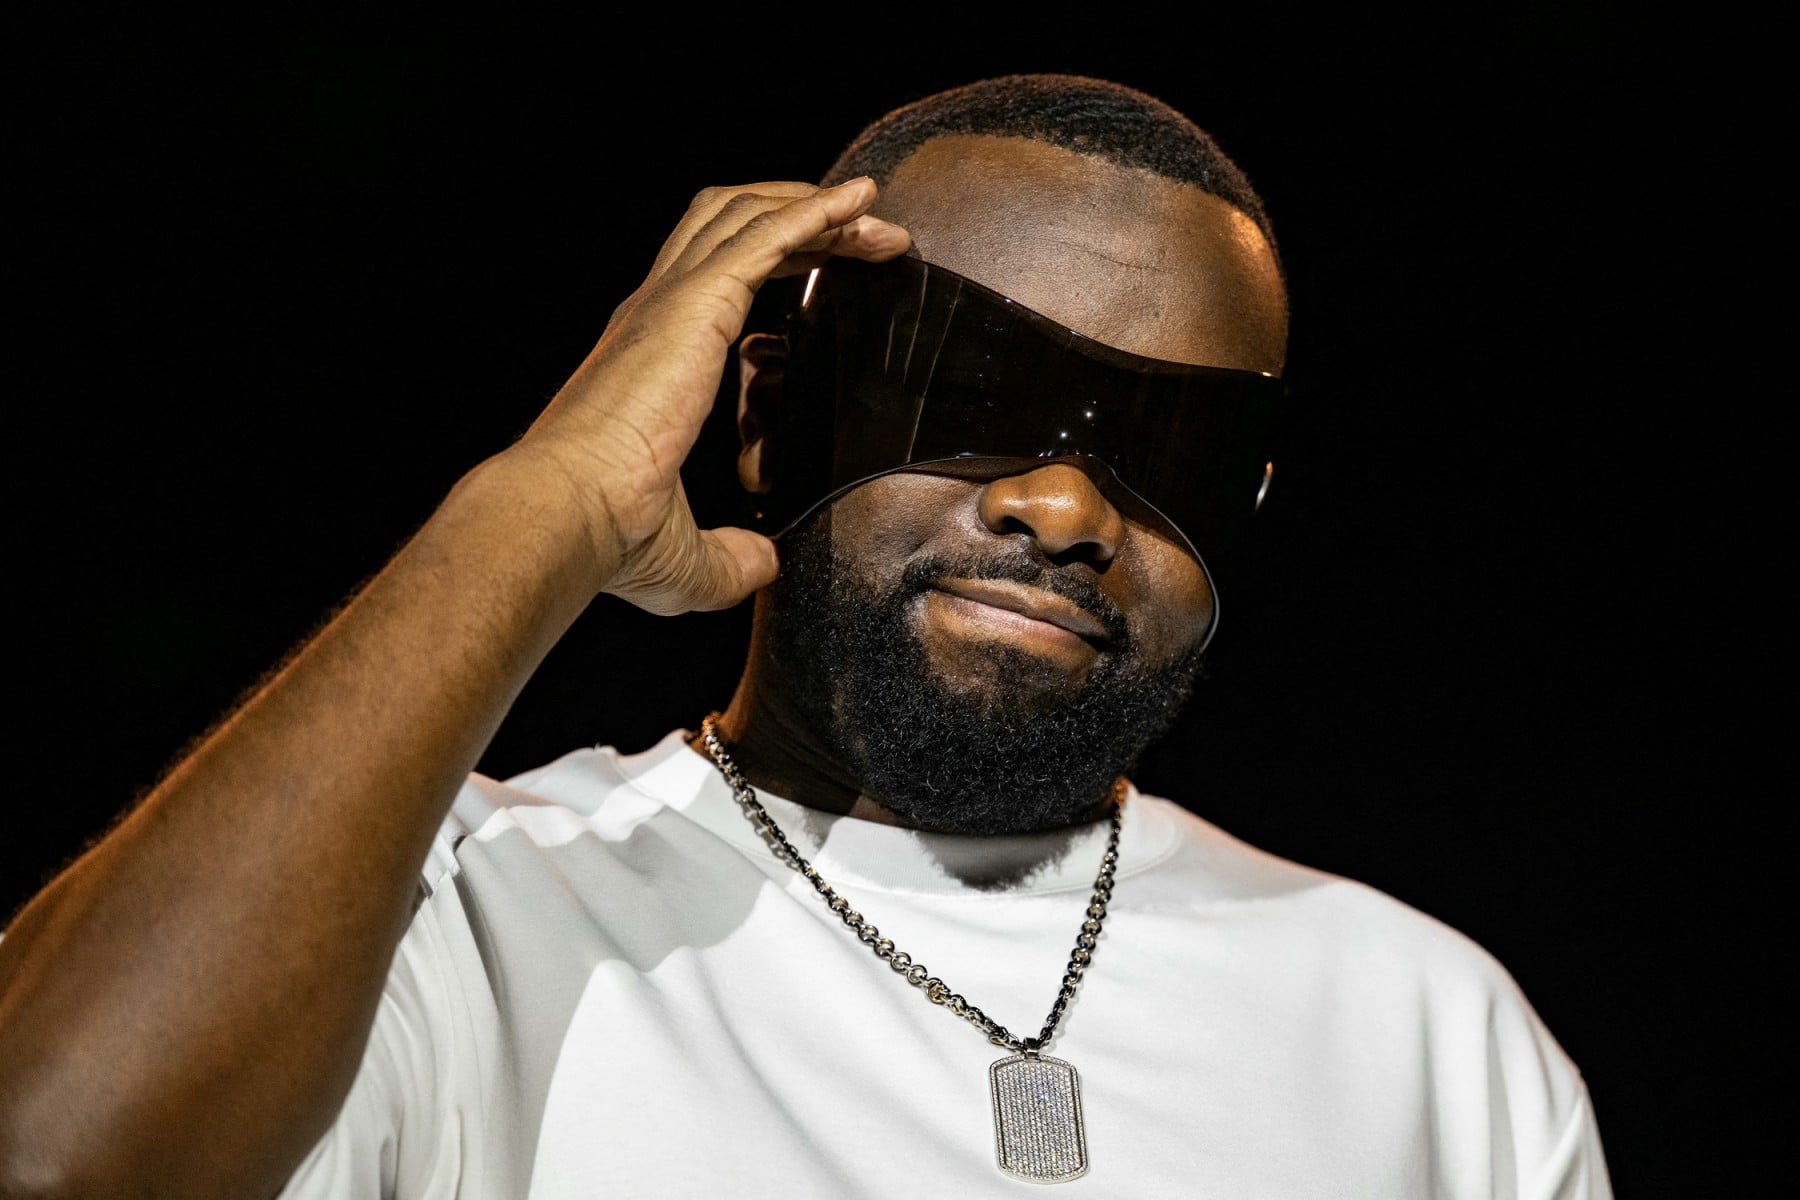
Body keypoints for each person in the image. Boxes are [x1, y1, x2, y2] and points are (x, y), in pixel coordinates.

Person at [0, 75, 1611, 1198]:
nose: (1062, 504)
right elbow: (51, 1150)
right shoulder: (463, 916)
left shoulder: (1419, 1024)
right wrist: (545, 501)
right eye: (971, 390)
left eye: (1171, 451)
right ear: (767, 413)